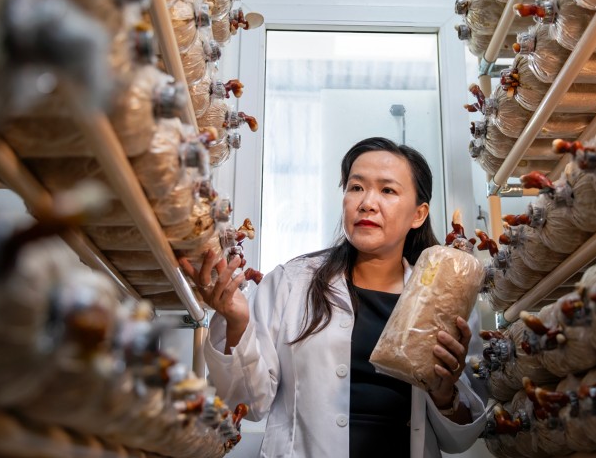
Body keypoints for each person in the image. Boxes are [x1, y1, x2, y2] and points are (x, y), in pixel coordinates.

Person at [180, 137, 489, 458]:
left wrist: (444, 393)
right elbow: (249, 404)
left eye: (388, 190)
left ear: (418, 214)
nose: (367, 202)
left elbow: (459, 440)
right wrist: (237, 323)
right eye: (356, 187)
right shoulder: (291, 282)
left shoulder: (445, 300)